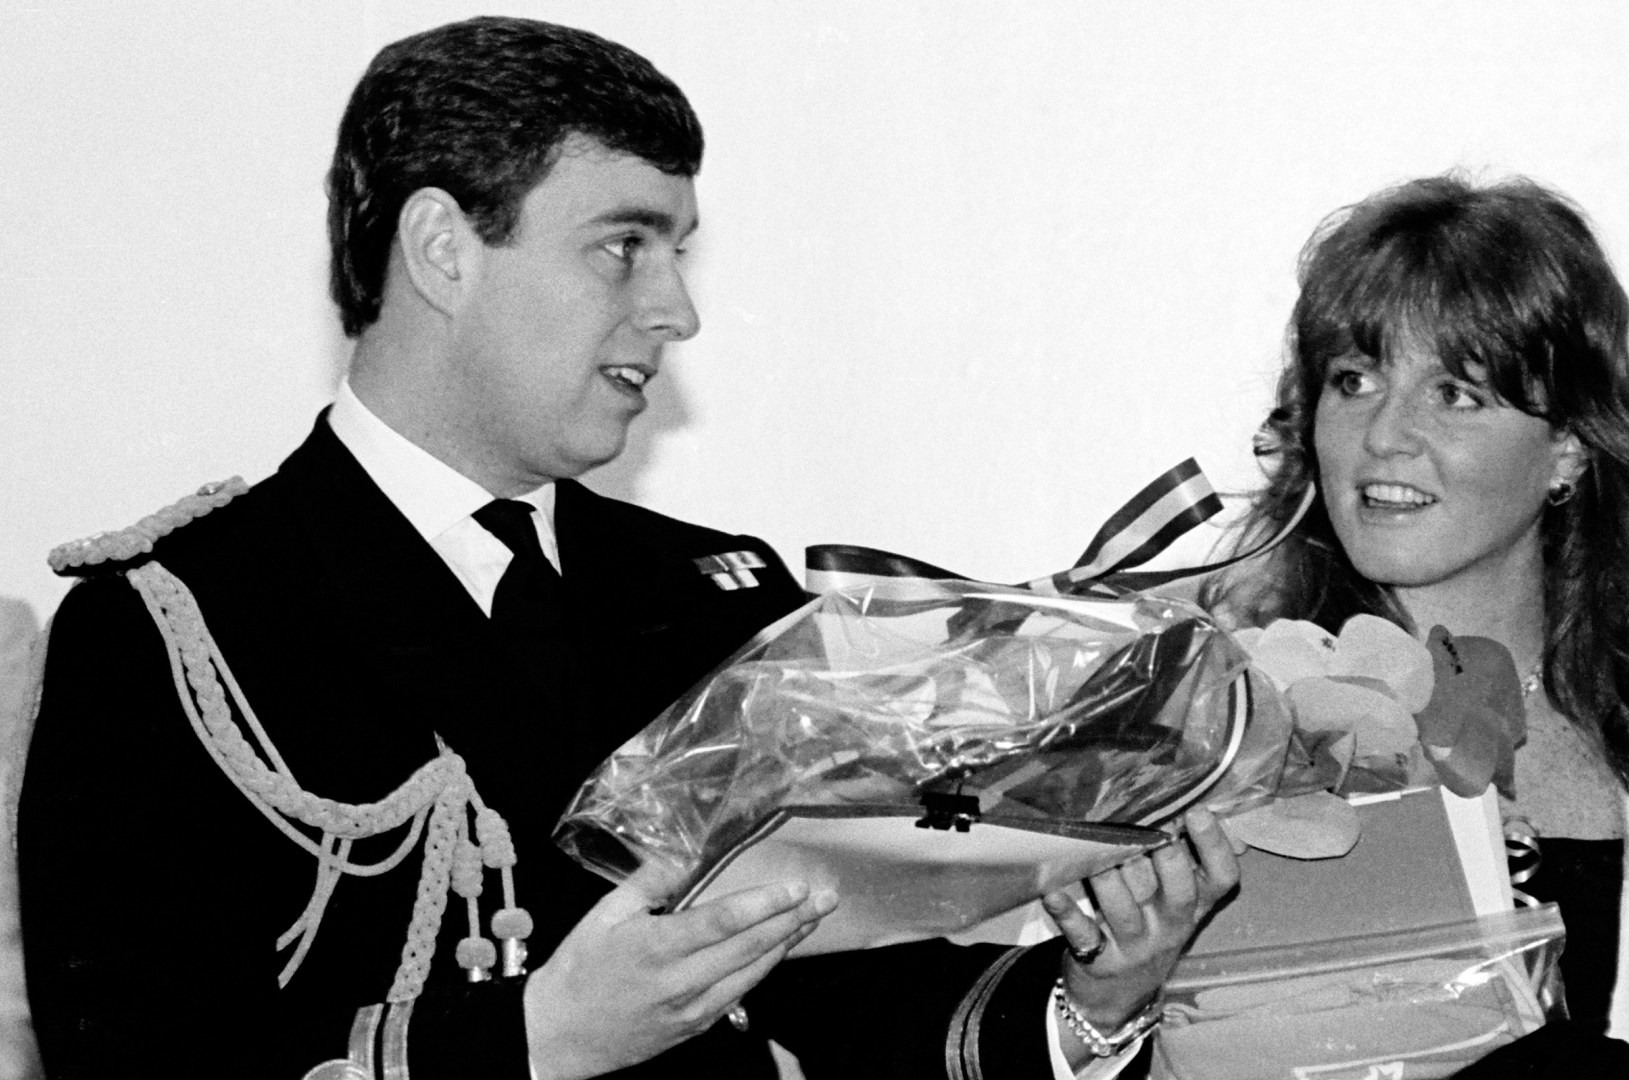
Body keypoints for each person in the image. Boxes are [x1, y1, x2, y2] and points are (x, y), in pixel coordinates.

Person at [18, 17, 1233, 1080]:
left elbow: (842, 991)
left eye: (677, 253)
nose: (677, 309)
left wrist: (1094, 999)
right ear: (443, 250)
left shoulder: (704, 591)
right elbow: (136, 1057)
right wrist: (536, 1042)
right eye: (622, 245)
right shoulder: (179, 626)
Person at [1208, 174, 1629, 1079]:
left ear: (1567, 446)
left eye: (1456, 393)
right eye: (1355, 379)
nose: (1384, 436)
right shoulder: (1210, 723)